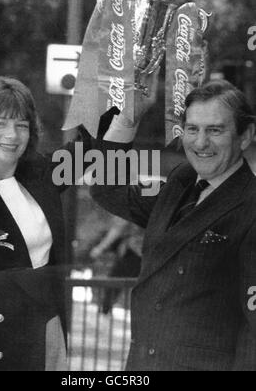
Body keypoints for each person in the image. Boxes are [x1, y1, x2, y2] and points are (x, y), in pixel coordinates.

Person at [91, 80, 256, 371]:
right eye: (192, 129)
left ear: (245, 136)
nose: (200, 142)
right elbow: (107, 189)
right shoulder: (178, 183)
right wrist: (129, 118)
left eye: (215, 130)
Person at [0, 76, 91, 371]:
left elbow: (88, 149)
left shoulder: (40, 174)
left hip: (46, 327)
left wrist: (117, 93)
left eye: (21, 125)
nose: (12, 134)